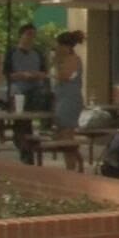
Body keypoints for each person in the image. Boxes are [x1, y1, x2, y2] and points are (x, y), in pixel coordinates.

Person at [3, 23, 47, 164]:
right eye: (28, 34)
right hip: (18, 91)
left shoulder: (38, 53)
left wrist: (36, 75)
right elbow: (7, 74)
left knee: (30, 120)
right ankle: (24, 149)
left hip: (35, 91)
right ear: (21, 35)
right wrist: (21, 75)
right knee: (21, 121)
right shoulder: (12, 53)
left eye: (33, 34)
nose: (31, 37)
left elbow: (44, 72)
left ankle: (29, 148)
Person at [51, 30, 85, 170]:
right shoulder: (61, 59)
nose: (57, 48)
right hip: (60, 97)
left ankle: (70, 167)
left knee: (66, 134)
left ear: (66, 46)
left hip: (70, 98)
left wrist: (57, 62)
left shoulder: (73, 59)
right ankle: (77, 159)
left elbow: (64, 76)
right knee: (60, 135)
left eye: (58, 45)